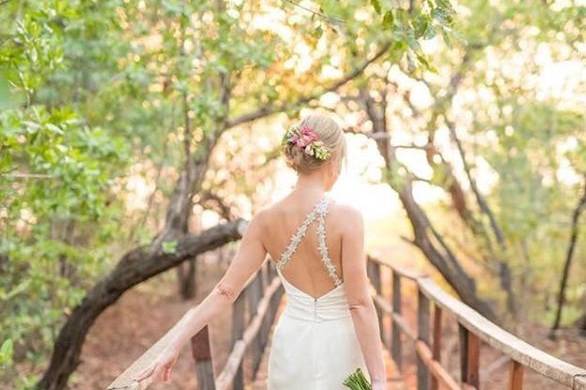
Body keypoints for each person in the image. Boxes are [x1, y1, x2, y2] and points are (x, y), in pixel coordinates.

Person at [135, 112, 388, 389]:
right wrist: (378, 380)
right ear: (334, 159)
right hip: (340, 345)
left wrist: (175, 344)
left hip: (292, 344)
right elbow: (359, 304)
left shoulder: (264, 221)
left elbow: (225, 291)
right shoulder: (347, 218)